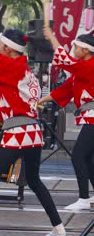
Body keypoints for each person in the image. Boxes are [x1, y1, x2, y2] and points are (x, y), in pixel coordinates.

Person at [0, 5, 65, 236]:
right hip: (34, 134)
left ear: (9, 49)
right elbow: (6, 112)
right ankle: (59, 229)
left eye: (1, 45)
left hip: (18, 135)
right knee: (33, 180)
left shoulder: (13, 68)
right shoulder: (26, 72)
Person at [39, 28, 94, 211]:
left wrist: (53, 37)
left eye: (77, 47)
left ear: (86, 50)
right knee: (88, 159)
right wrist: (40, 100)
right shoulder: (82, 70)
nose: (74, 50)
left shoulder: (90, 66)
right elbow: (65, 89)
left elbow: (66, 61)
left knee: (78, 155)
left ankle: (84, 198)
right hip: (90, 117)